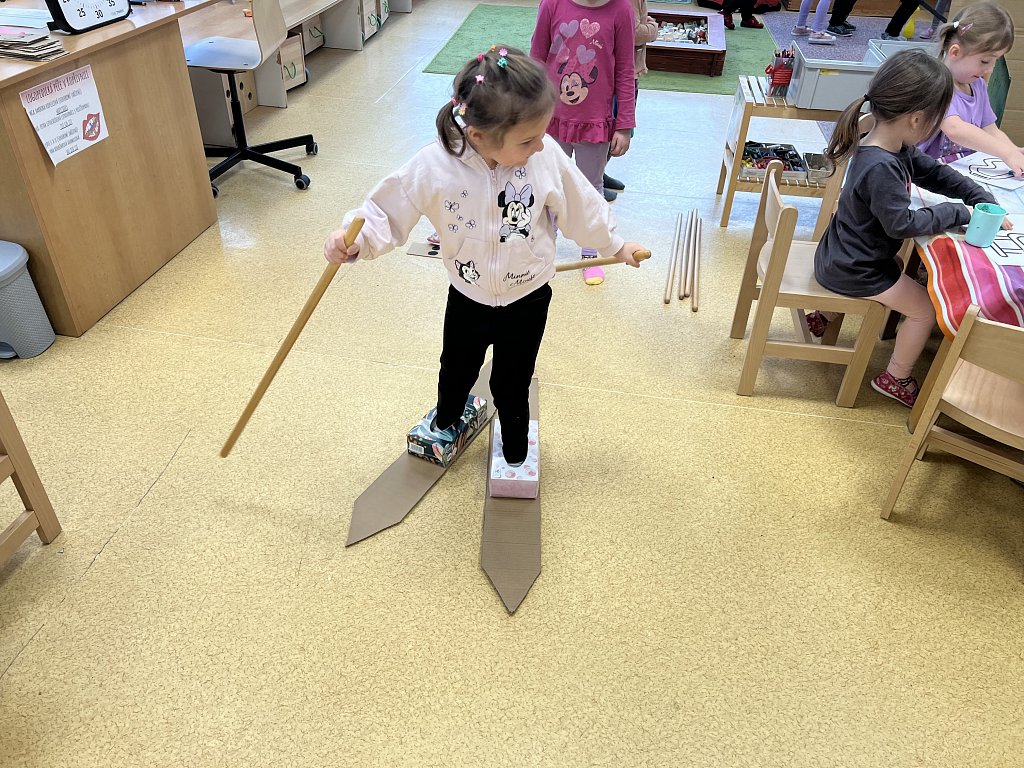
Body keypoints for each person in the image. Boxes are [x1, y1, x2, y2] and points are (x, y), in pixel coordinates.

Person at [323, 48, 645, 465]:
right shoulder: (435, 165)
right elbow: (386, 210)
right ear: (478, 136)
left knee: (513, 382)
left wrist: (615, 245)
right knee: (455, 370)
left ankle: (515, 450)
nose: (541, 145)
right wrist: (355, 240)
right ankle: (446, 420)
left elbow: (580, 203)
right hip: (467, 294)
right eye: (527, 139)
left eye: (542, 133)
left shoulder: (543, 157)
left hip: (528, 296)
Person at [812, 50, 1008, 407]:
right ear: (917, 119)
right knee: (925, 310)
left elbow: (934, 173)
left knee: (901, 266)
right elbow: (901, 225)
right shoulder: (881, 167)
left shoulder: (891, 144)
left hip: (840, 254)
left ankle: (823, 315)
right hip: (854, 269)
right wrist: (957, 212)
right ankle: (895, 378)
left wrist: (977, 196)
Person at [531, 0, 637, 286]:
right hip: (551, 118)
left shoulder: (621, 9)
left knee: (591, 187)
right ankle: (544, 249)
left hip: (595, 121)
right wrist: (530, 111)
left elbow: (626, 70)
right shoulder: (552, 4)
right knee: (547, 184)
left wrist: (624, 125)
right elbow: (536, 58)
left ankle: (590, 253)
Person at [917, 2, 1024, 177]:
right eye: (985, 61)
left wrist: (1013, 150)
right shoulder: (936, 84)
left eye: (995, 61)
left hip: (964, 169)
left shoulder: (977, 85)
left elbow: (990, 129)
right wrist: (1006, 153)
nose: (990, 69)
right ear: (955, 52)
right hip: (928, 174)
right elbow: (955, 129)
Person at [603, 0, 660, 201]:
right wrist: (652, 28)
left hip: (628, 70)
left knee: (613, 130)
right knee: (609, 131)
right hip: (620, 73)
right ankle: (592, 178)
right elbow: (633, 33)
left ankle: (599, 172)